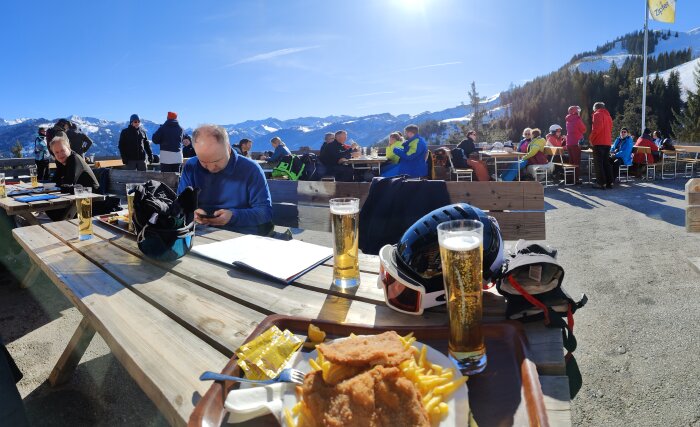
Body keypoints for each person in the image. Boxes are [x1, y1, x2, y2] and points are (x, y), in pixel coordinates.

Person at [178, 124, 273, 235]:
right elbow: (180, 203)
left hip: (241, 235)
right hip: (200, 232)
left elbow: (265, 212)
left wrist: (233, 216)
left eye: (217, 161)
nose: (211, 167)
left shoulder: (250, 169)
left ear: (228, 148)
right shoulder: (191, 165)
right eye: (203, 162)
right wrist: (191, 212)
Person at [47, 132, 100, 221]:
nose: (60, 154)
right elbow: (55, 182)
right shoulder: (62, 162)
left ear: (68, 148)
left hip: (92, 202)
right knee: (50, 209)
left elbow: (68, 182)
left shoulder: (74, 159)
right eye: (56, 152)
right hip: (78, 198)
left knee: (52, 210)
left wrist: (59, 186)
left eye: (62, 150)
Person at [589, 102, 613, 189]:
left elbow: (596, 129)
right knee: (606, 163)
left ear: (596, 108)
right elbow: (610, 128)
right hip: (607, 142)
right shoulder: (608, 116)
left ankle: (601, 183)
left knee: (598, 164)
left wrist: (591, 139)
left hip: (599, 142)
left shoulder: (597, 114)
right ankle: (610, 182)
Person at [565, 106, 586, 184]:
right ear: (576, 111)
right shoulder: (577, 119)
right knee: (576, 162)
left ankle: (570, 178)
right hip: (576, 142)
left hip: (569, 142)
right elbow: (583, 129)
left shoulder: (568, 119)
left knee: (571, 161)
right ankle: (576, 179)